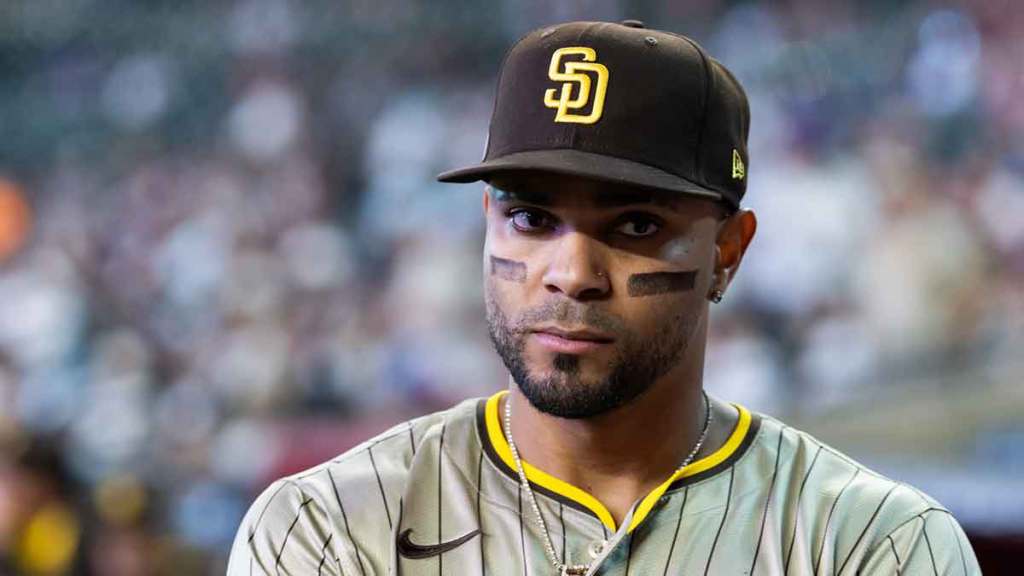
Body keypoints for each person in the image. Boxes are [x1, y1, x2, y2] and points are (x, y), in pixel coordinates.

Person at [228, 20, 980, 575]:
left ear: (728, 251)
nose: (572, 272)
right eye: (532, 218)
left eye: (636, 224)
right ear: (487, 221)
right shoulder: (330, 528)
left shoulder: (871, 545)